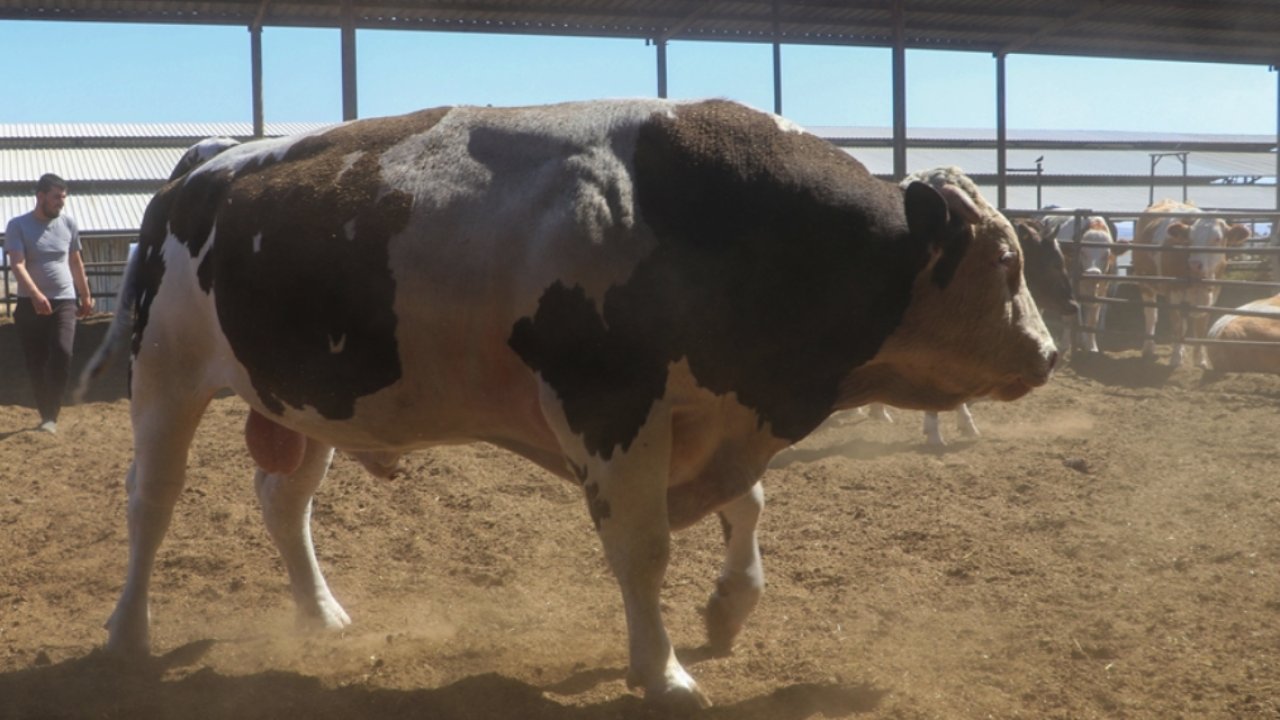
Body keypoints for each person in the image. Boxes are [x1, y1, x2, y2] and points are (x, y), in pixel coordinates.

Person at [4, 173, 93, 433]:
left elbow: (75, 261)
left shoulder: (68, 224)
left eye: (63, 198)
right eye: (56, 197)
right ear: (40, 196)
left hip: (64, 300)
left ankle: (52, 413)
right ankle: (47, 415)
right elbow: (17, 264)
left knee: (63, 352)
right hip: (29, 304)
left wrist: (85, 294)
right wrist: (35, 294)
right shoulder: (18, 225)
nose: (61, 203)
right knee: (37, 361)